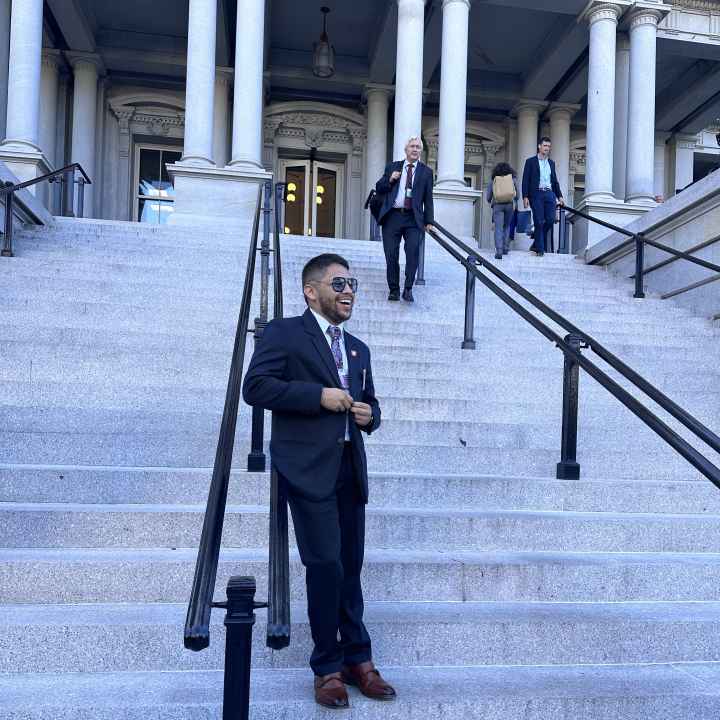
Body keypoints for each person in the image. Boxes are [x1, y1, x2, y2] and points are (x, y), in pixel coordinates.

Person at [242, 253, 395, 710]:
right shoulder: (286, 334)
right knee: (325, 565)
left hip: (349, 468)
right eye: (339, 283)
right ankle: (328, 666)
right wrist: (317, 397)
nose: (348, 290)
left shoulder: (358, 349)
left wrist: (371, 416)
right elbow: (257, 387)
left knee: (350, 565)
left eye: (352, 284)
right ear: (312, 291)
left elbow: (368, 402)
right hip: (307, 470)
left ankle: (358, 659)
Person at [375, 136, 435, 302]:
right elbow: (379, 188)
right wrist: (390, 179)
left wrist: (429, 221)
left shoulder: (426, 172)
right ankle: (394, 289)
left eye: (418, 147)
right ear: (406, 150)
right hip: (392, 216)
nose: (415, 149)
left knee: (413, 252)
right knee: (391, 254)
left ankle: (408, 288)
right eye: (412, 146)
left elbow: (428, 199)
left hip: (413, 219)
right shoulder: (393, 167)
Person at [521, 136, 564, 256]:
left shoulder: (551, 163)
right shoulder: (530, 162)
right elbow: (525, 180)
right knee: (539, 221)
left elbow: (555, 181)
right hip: (536, 194)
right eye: (545, 146)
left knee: (550, 220)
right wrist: (525, 196)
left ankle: (536, 242)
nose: (547, 148)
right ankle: (540, 249)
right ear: (539, 146)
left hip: (549, 194)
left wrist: (559, 196)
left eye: (549, 146)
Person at [485, 162, 520, 259]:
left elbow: (488, 197)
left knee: (498, 227)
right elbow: (517, 195)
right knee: (507, 226)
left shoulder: (494, 180)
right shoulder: (513, 179)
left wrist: (491, 200)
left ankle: (499, 250)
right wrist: (514, 199)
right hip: (509, 205)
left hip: (497, 205)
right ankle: (505, 248)